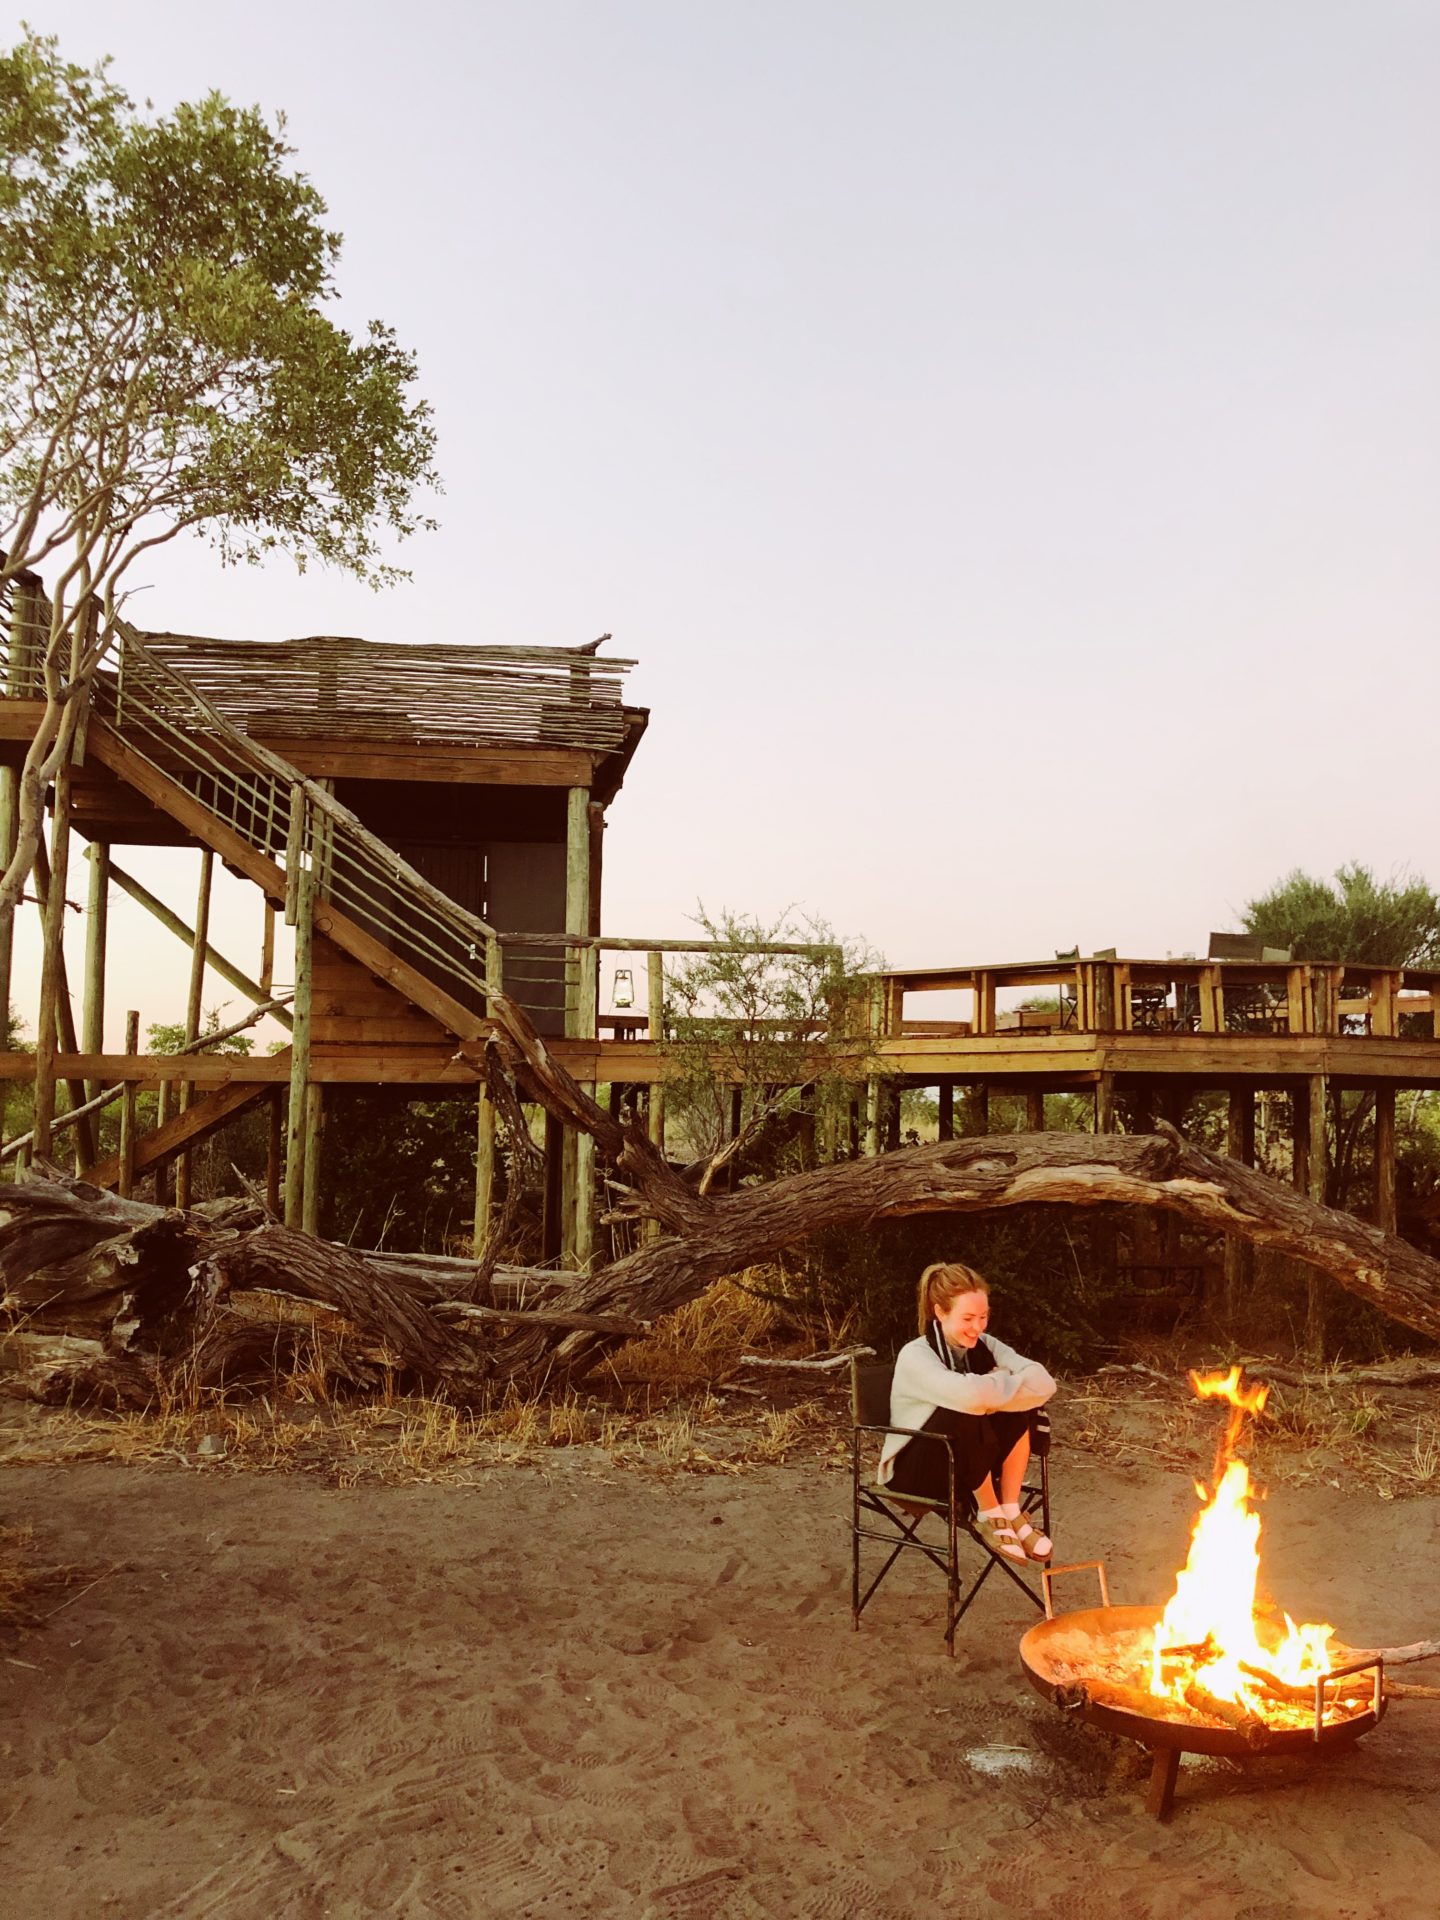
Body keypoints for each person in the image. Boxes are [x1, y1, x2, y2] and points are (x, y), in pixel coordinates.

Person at [878, 1261, 1056, 1565]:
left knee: (1020, 1409)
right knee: (962, 1412)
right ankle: (987, 1512)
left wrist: (991, 1390)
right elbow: (969, 1398)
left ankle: (1010, 1508)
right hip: (917, 1469)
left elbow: (1044, 1383)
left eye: (984, 1316)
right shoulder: (916, 1355)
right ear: (940, 1312)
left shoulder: (984, 1344)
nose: (978, 1327)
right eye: (968, 1318)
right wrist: (1002, 1380)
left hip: (969, 1460)